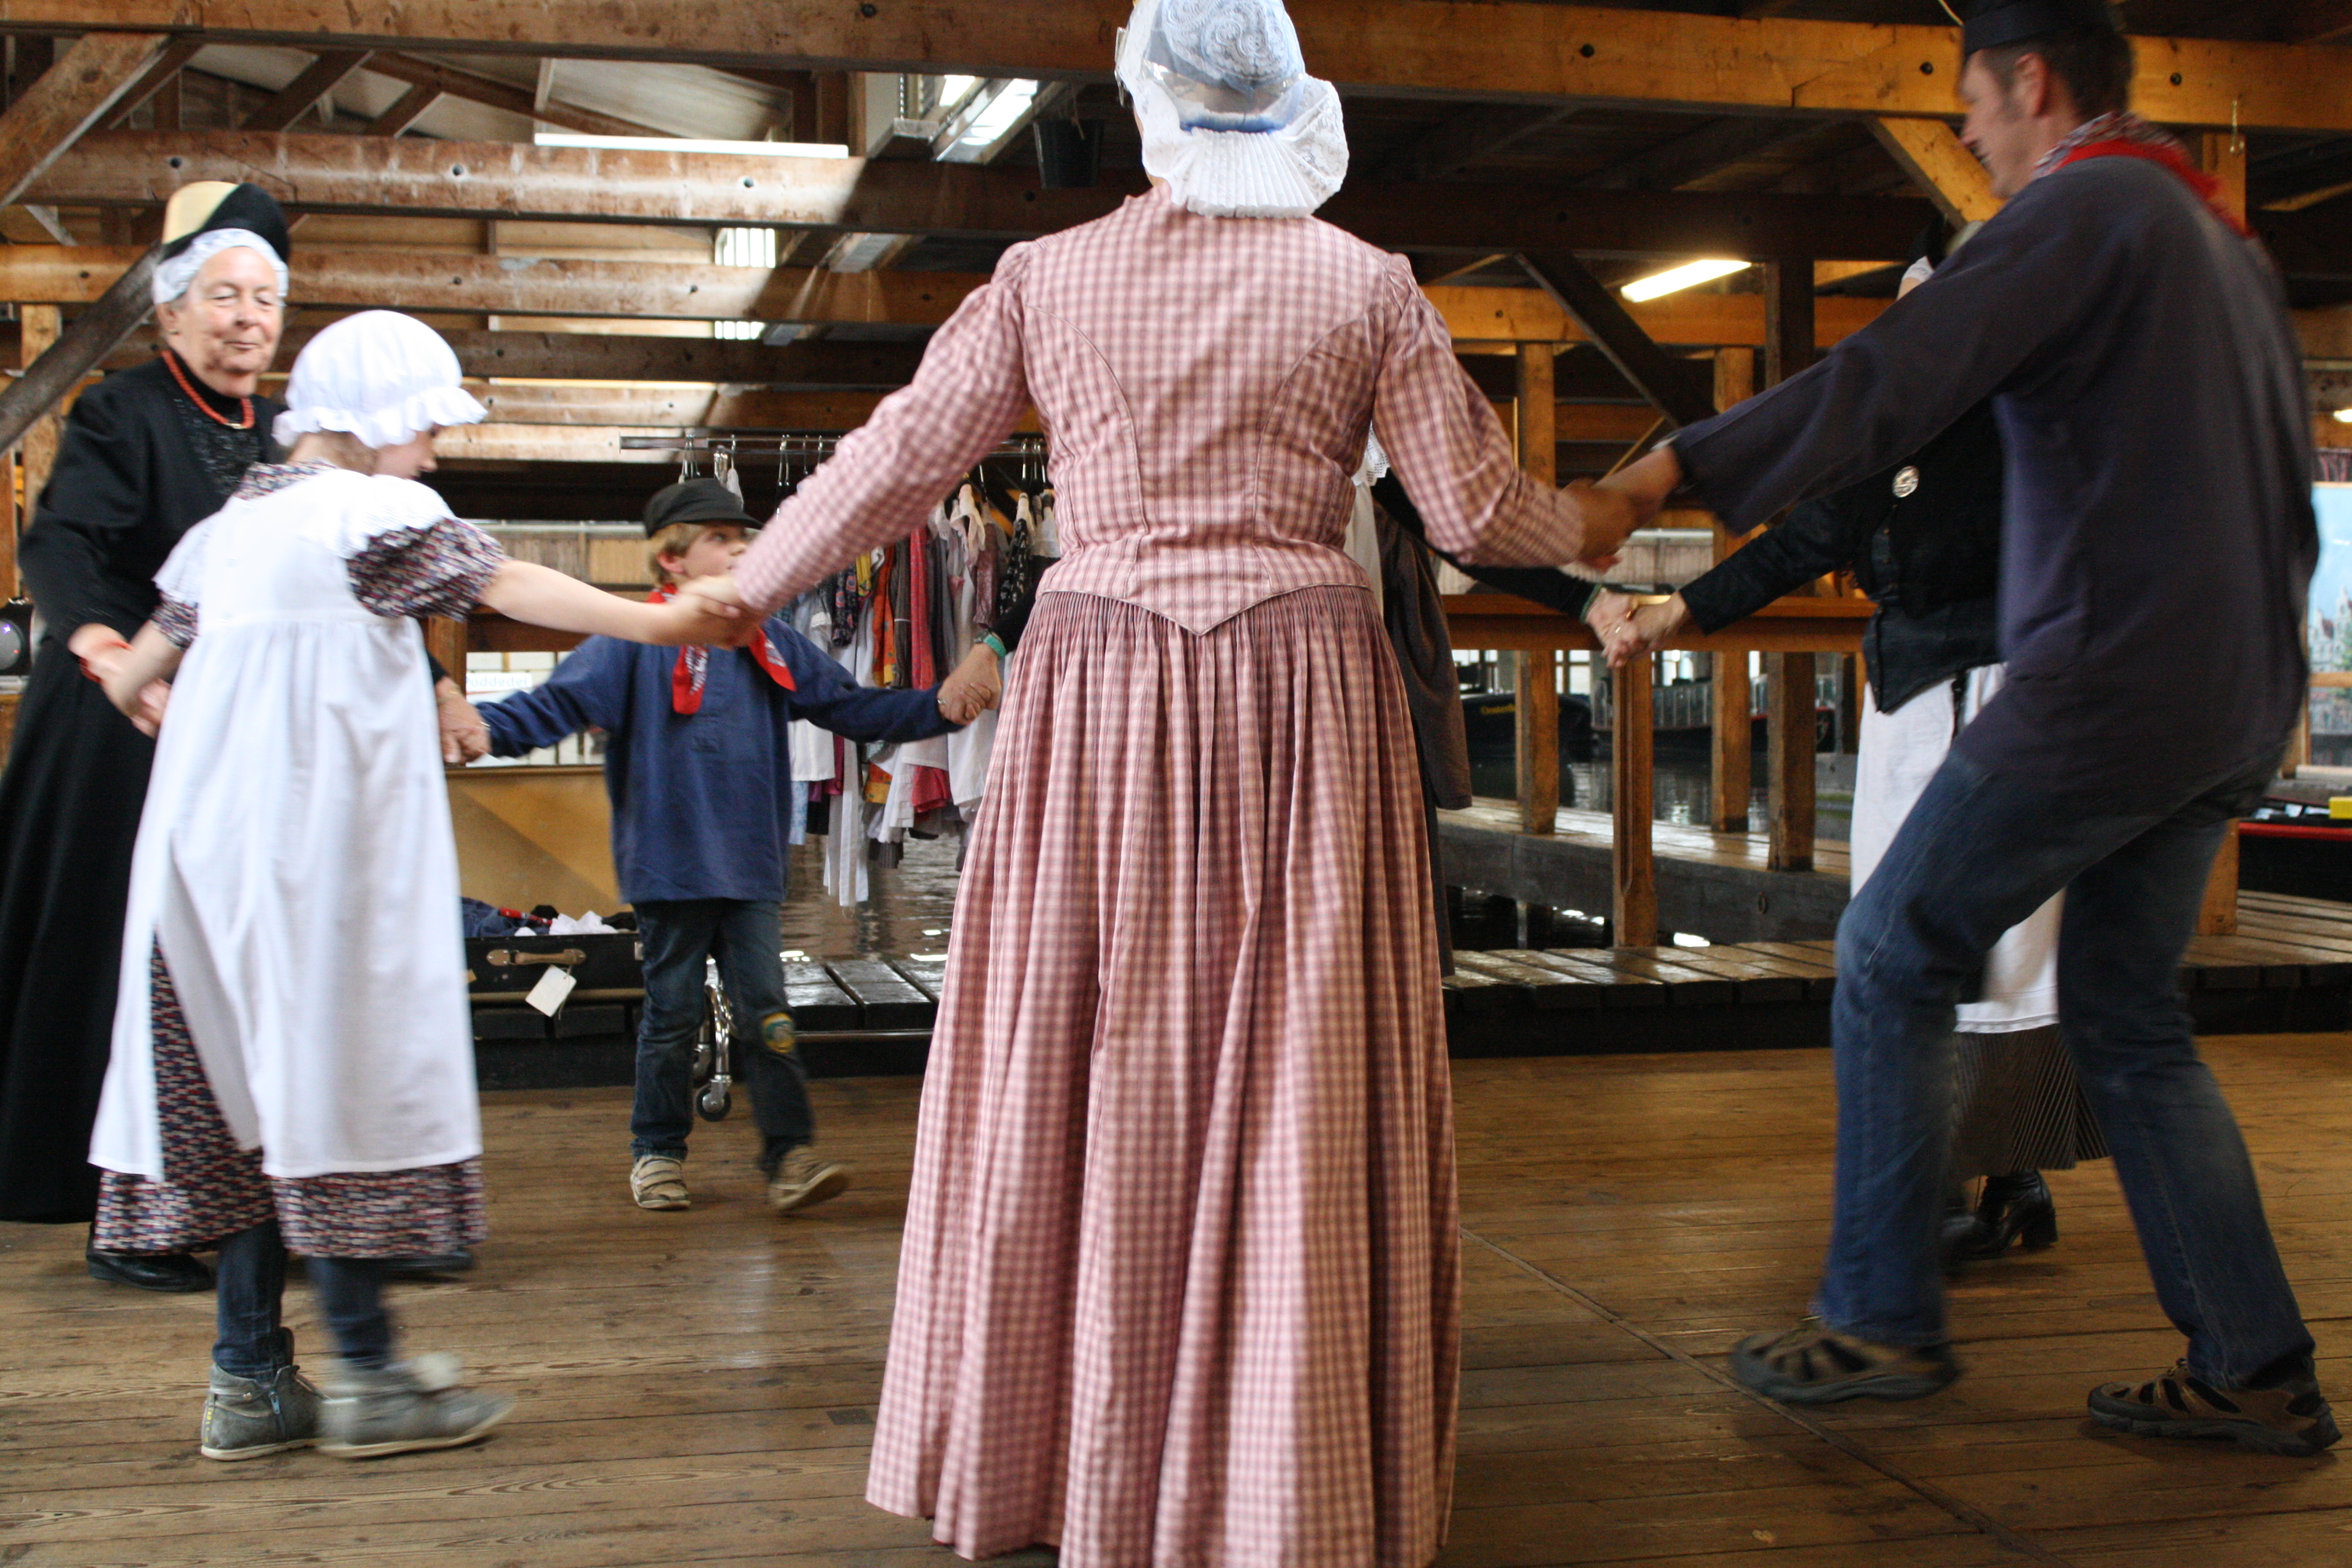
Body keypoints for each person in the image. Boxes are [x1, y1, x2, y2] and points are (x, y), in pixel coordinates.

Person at [697, 2, 1630, 1560]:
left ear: (1147, 102)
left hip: (1103, 686)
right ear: (1285, 103)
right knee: (1297, 1056)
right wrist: (1601, 525)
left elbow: (895, 458)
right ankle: (1285, 1458)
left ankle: (1074, 1452)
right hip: (1300, 688)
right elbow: (1475, 511)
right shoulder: (1368, 283)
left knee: (1088, 1042)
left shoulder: (1043, 278)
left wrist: (746, 588)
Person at [1597, 0, 2333, 1455]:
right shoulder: (2213, 237)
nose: (1970, 136)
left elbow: (1887, 386)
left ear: (2030, 80)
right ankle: (2252, 1360)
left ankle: (1879, 1313)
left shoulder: (2085, 209)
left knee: (1888, 947)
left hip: (2109, 678)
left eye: (1970, 104)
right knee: (2126, 1016)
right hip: (2233, 687)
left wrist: (1670, 470)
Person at [85, 310, 742, 1460]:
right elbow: (514, 580)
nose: (435, 450)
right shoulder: (374, 513)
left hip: (196, 867)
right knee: (333, 1089)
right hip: (314, 859)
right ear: (380, 412)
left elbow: (137, 671)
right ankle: (377, 1381)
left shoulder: (227, 531)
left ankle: (247, 1380)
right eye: (428, 423)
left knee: (250, 1108)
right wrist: (666, 618)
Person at [0, 183, 488, 1291]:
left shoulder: (292, 444)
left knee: (318, 964)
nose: (247, 318)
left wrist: (434, 686)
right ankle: (138, 1207)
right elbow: (63, 547)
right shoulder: (122, 413)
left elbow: (349, 574)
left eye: (266, 298)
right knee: (160, 971)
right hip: (132, 717)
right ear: (171, 313)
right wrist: (109, 656)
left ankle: (341, 1211)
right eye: (223, 296)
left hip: (272, 735)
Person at [1589, 241, 2105, 1272]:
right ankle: (1966, 1179)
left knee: (1976, 943)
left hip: (1988, 699)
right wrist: (1669, 614)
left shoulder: (2022, 427)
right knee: (1903, 932)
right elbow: (1799, 541)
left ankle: (1993, 1179)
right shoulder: (1904, 431)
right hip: (1914, 701)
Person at [473, 477, 1001, 1216]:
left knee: (769, 1013)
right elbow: (549, 708)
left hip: (750, 867)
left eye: (742, 538)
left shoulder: (775, 643)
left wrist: (937, 706)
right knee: (671, 1015)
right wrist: (475, 728)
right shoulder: (629, 642)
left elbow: (849, 708)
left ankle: (789, 1157)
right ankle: (657, 1152)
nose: (740, 549)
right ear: (674, 561)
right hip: (668, 869)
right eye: (721, 539)